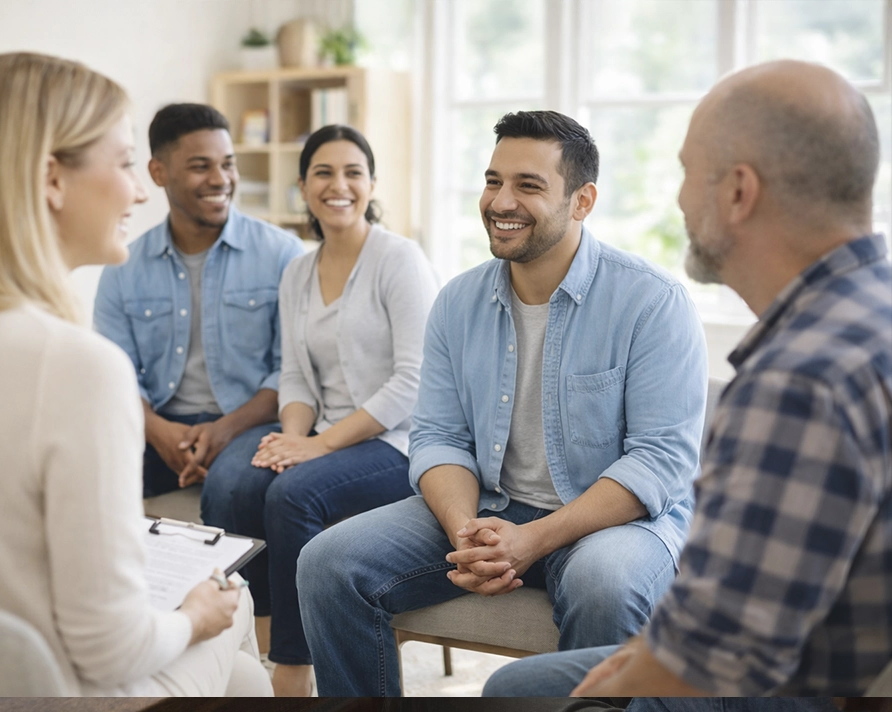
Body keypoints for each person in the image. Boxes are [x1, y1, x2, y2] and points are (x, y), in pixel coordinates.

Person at [482, 60, 891, 698]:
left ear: (736, 192)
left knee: (515, 692)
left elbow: (731, 644)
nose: (677, 198)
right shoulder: (870, 313)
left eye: (685, 172)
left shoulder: (799, 380)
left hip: (796, 687)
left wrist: (611, 686)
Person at [0, 53, 271, 696]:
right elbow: (111, 649)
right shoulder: (75, 369)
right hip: (43, 689)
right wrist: (196, 615)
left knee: (246, 681)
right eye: (122, 164)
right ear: (51, 178)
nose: (140, 191)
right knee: (233, 599)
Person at [297, 110, 708, 696]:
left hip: (610, 524)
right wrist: (467, 531)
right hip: (492, 505)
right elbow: (438, 437)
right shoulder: (457, 302)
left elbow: (660, 462)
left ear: (582, 201)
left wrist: (533, 541)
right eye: (493, 181)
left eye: (528, 185)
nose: (501, 201)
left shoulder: (652, 302)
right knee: (327, 562)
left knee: (607, 586)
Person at [198, 124, 438, 696]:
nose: (339, 186)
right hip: (324, 434)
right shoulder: (298, 270)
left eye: (353, 172)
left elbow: (415, 379)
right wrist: (291, 439)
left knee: (294, 493)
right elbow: (295, 375)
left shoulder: (398, 259)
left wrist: (317, 448)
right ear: (303, 186)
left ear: (372, 184)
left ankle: (294, 666)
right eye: (323, 173)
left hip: (397, 441)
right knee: (238, 484)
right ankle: (245, 644)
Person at [93, 103, 304, 512]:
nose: (220, 179)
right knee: (86, 477)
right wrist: (157, 431)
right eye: (200, 166)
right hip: (158, 424)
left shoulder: (283, 255)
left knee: (230, 487)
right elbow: (114, 369)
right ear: (158, 173)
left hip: (250, 424)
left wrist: (226, 429)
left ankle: (227, 580)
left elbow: (291, 368)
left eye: (228, 164)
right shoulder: (123, 266)